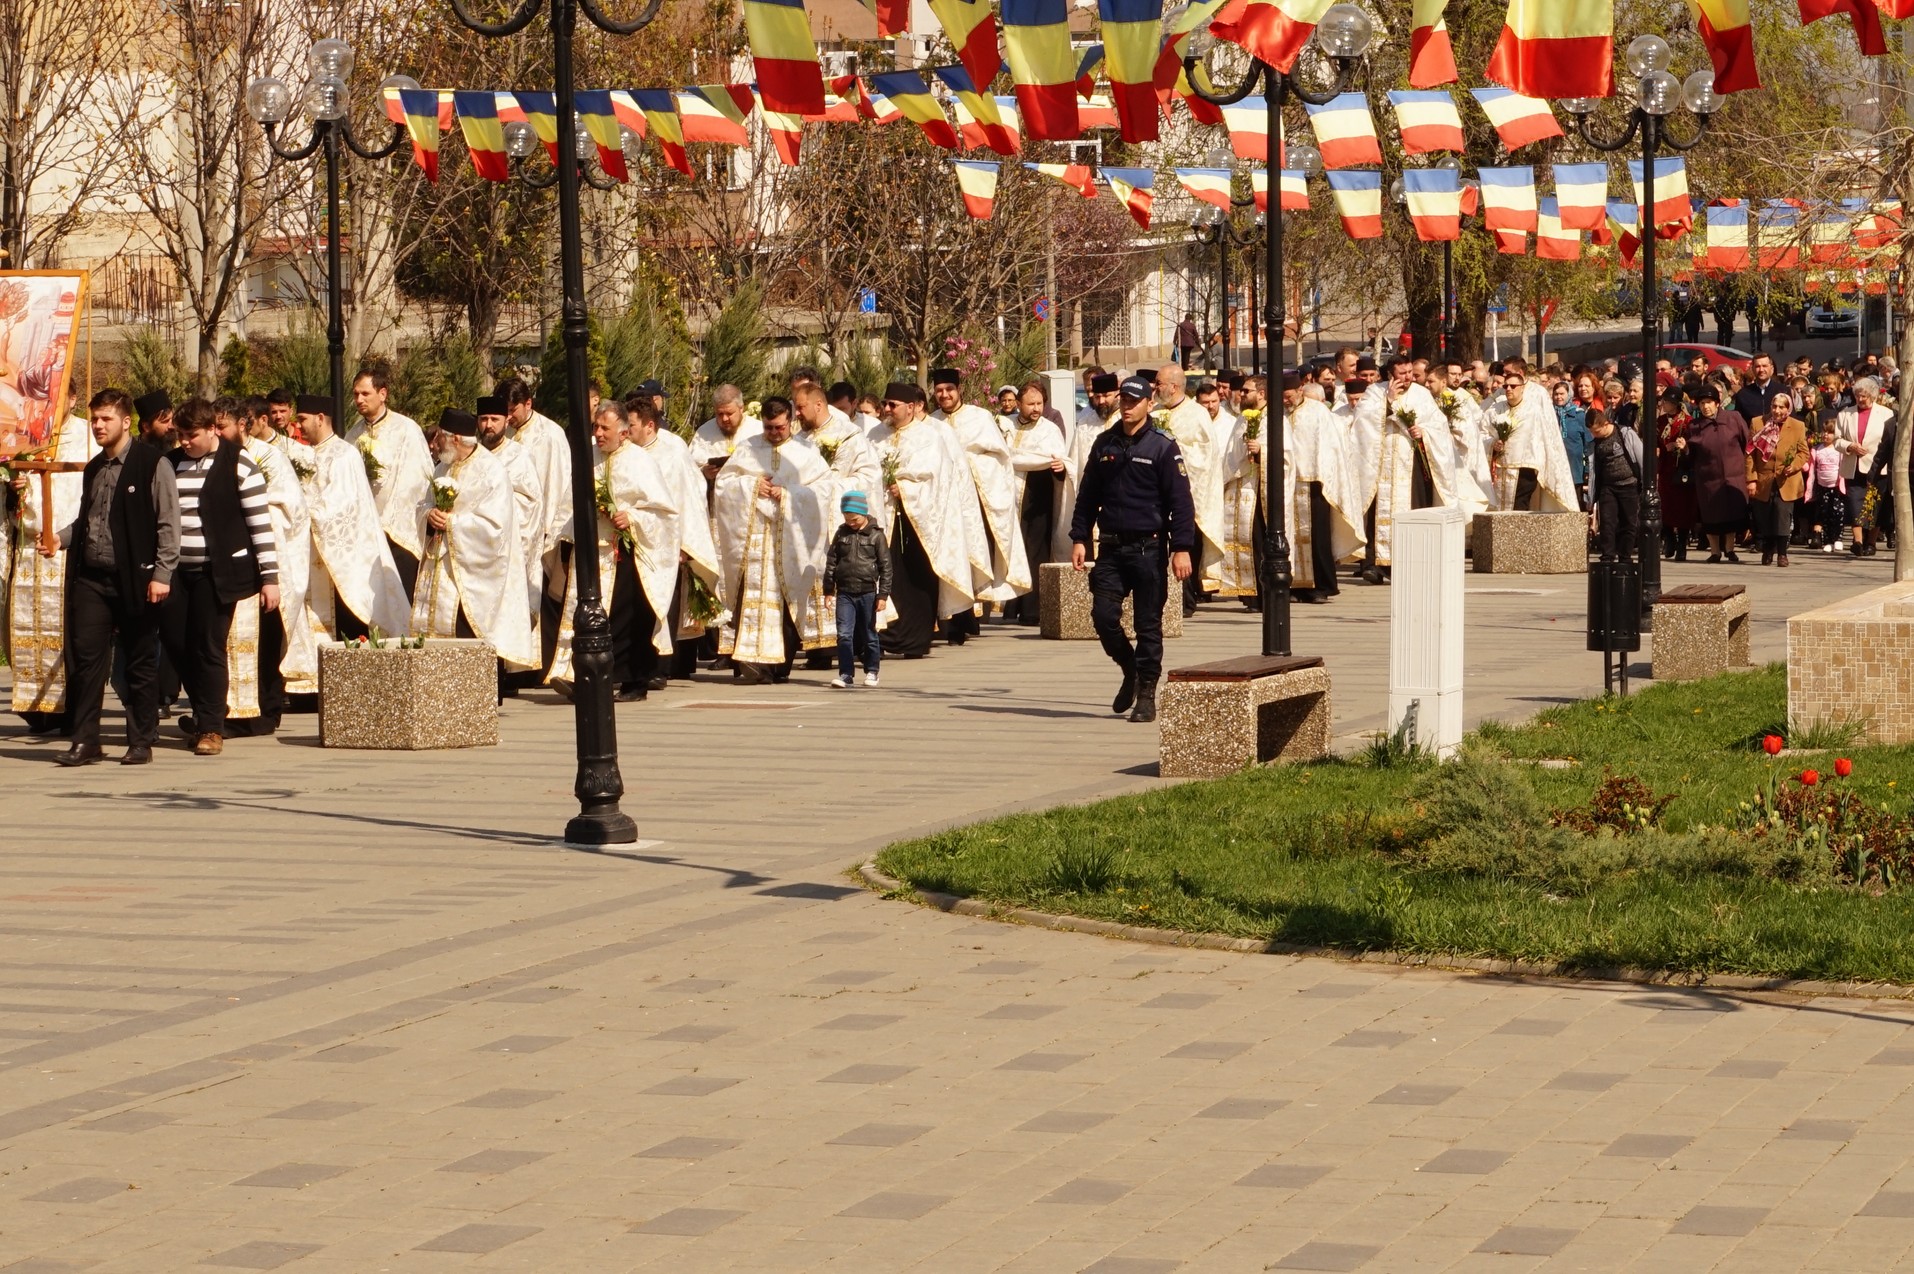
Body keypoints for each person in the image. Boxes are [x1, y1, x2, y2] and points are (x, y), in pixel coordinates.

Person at [50, 389, 179, 766]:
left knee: (139, 660)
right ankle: (86, 740)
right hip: (91, 578)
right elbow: (88, 521)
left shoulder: (152, 464)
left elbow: (169, 525)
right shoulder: (94, 468)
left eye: (106, 419)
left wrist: (162, 574)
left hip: (136, 579)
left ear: (125, 421)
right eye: (94, 419)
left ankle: (140, 740)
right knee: (87, 661)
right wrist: (59, 539)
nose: (98, 426)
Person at [1067, 375, 1196, 724]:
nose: (1126, 406)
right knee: (1103, 617)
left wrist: (1181, 548)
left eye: (1134, 401)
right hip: (1110, 548)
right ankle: (1130, 669)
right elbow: (1087, 495)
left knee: (1147, 626)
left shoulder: (1163, 447)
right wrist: (1079, 537)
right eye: (1123, 400)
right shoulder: (1104, 444)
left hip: (1149, 549)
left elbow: (1181, 504)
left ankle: (1147, 694)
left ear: (1148, 404)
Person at [157, 399, 279, 756]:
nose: (185, 442)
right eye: (180, 435)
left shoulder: (239, 463)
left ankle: (211, 728)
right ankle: (205, 709)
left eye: (192, 435)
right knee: (177, 644)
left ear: (212, 429)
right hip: (176, 572)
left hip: (219, 573)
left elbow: (260, 523)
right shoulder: (170, 463)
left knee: (208, 645)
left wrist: (269, 577)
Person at [548, 401, 677, 700]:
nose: (598, 433)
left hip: (626, 555)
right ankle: (581, 676)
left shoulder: (640, 462)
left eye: (605, 428)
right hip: (591, 554)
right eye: (596, 427)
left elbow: (664, 512)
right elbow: (569, 504)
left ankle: (634, 682)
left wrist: (631, 516)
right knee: (583, 616)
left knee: (628, 618)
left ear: (623, 432)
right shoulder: (588, 459)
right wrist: (565, 544)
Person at [410, 407, 539, 691]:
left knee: (467, 631)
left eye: (439, 439)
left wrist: (453, 523)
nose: (435, 445)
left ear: (455, 438)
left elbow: (495, 529)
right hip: (439, 568)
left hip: (472, 576)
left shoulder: (491, 472)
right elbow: (423, 504)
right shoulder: (442, 467)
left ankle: (474, 695)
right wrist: (428, 515)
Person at [712, 397, 832, 684]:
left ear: (790, 421)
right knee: (750, 600)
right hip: (752, 542)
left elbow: (824, 490)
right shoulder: (747, 449)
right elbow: (723, 486)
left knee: (786, 601)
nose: (774, 433)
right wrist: (753, 486)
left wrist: (787, 493)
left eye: (779, 427)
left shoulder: (805, 452)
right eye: (768, 427)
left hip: (790, 543)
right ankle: (752, 666)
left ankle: (780, 667)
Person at [7, 386, 98, 733]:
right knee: (25, 628)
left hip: (70, 546)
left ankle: (72, 709)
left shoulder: (88, 435)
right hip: (30, 546)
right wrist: (12, 487)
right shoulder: (26, 434)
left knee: (69, 631)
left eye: (58, 398)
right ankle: (38, 710)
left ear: (73, 400)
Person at [872, 383, 978, 658]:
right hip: (884, 517)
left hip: (918, 520)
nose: (886, 409)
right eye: (885, 404)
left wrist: (905, 489)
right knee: (886, 575)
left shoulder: (928, 437)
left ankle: (915, 640)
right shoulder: (875, 434)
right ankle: (887, 636)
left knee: (916, 577)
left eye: (892, 405)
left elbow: (937, 478)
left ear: (911, 407)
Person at [295, 393, 410, 643]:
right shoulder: (306, 455)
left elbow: (341, 508)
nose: (298, 426)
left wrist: (301, 512)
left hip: (343, 557)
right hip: (315, 555)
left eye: (302, 419)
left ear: (320, 418)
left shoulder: (343, 454)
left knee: (350, 623)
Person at [629, 392, 722, 684]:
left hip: (666, 541)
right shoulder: (626, 454)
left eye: (630, 426)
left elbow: (688, 497)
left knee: (663, 601)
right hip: (635, 536)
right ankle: (638, 664)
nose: (626, 431)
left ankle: (660, 668)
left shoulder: (671, 452)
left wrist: (685, 543)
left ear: (649, 425)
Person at [1351, 357, 1458, 583]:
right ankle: (1373, 564)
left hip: (1411, 464)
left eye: (1410, 372)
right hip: (1380, 465)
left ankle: (1410, 562)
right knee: (1375, 512)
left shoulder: (1421, 394)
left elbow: (1438, 425)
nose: (1408, 377)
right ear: (1390, 375)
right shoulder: (1374, 393)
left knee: (1413, 509)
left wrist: (1424, 431)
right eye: (1402, 373)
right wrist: (1388, 402)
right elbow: (1361, 422)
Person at [498, 375, 572, 668]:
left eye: (512, 411)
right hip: (510, 529)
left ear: (528, 404)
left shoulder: (549, 435)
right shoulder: (503, 434)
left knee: (544, 598)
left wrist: (551, 529)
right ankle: (517, 664)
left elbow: (557, 482)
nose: (508, 417)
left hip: (540, 527)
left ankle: (542, 664)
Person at [343, 370, 432, 602]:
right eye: (355, 394)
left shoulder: (407, 430)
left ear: (382, 394)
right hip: (366, 534)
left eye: (365, 393)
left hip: (399, 532)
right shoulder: (352, 435)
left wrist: (388, 519)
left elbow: (419, 479)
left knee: (400, 600)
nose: (359, 399)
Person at [1280, 372, 1364, 603]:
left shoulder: (1317, 412)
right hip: (1288, 484)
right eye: (1282, 397)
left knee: (1317, 538)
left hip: (1315, 484)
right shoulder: (1277, 414)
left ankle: (1321, 586)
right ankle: (1294, 586)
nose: (1286, 401)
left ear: (1299, 391)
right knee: (1290, 536)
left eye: (1288, 396)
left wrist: (1324, 475)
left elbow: (1330, 447)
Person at [1153, 365, 1223, 614]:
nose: (1156, 387)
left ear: (1174, 386)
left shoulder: (1196, 414)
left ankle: (1185, 601)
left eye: (1159, 383)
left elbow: (1206, 455)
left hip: (1187, 492)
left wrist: (1173, 447)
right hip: (1156, 493)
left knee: (1186, 545)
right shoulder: (1156, 412)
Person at [1003, 379, 1066, 624]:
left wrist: (1059, 468)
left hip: (1036, 494)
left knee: (1035, 551)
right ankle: (1010, 606)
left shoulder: (1049, 429)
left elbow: (1056, 459)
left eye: (1040, 403)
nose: (1036, 408)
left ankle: (1032, 609)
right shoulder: (1004, 425)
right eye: (1031, 404)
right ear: (1019, 403)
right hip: (1008, 494)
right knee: (1010, 549)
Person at [1486, 361, 1578, 513]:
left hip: (1526, 463)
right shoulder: (1498, 404)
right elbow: (1483, 429)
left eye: (1512, 384)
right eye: (1505, 385)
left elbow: (1546, 431)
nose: (1507, 387)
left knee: (1521, 508)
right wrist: (1492, 443)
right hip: (1501, 467)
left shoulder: (1536, 402)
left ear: (1521, 381)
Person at [823, 490, 890, 688]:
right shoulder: (841, 533)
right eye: (847, 518)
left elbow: (886, 567)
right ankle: (845, 674)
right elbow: (831, 562)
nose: (851, 523)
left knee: (869, 634)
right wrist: (828, 590)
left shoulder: (877, 536)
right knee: (844, 634)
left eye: (854, 519)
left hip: (868, 592)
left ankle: (872, 671)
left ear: (863, 513)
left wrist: (883, 594)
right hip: (844, 593)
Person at [1681, 382, 1751, 563]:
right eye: (1702, 403)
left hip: (1733, 476)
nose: (1705, 406)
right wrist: (1684, 449)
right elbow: (1691, 455)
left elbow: (1746, 443)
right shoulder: (1695, 426)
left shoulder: (1733, 418)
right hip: (1708, 479)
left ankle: (1729, 549)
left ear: (1717, 403)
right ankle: (1715, 551)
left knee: (1732, 514)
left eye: (1709, 402)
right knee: (1711, 516)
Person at [1055, 372, 1118, 564]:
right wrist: (1064, 467)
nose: (1101, 401)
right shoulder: (1085, 421)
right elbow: (1074, 459)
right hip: (1093, 493)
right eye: (1097, 396)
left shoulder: (1126, 419)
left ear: (1117, 393)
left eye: (1106, 396)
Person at [1746, 390, 1810, 567]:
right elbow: (1749, 453)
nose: (1777, 410)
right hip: (1764, 478)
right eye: (1774, 406)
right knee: (1764, 516)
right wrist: (1751, 479)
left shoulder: (1797, 425)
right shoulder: (1758, 422)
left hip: (1786, 479)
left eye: (1782, 407)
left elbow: (1804, 452)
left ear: (1788, 408)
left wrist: (1794, 465)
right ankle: (1767, 550)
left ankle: (1782, 553)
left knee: (1782, 515)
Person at [1836, 377, 1891, 556]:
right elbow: (1837, 440)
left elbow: (1890, 441)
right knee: (1854, 505)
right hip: (1854, 466)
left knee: (1874, 505)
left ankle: (1871, 542)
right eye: (1858, 396)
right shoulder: (1845, 413)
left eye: (1865, 396)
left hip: (1878, 467)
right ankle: (1858, 541)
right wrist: (1850, 446)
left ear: (1873, 396)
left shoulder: (1886, 414)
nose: (1860, 399)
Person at [1583, 409, 1643, 563]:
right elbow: (1593, 468)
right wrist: (1592, 494)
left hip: (1629, 484)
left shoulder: (1625, 434)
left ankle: (1625, 556)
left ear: (1605, 424)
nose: (1594, 435)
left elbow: (1641, 457)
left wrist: (1645, 482)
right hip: (1608, 486)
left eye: (1596, 431)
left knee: (1629, 523)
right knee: (1607, 522)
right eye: (1591, 432)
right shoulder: (1595, 443)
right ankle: (1608, 555)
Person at [1655, 389, 1698, 561]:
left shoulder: (1687, 422)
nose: (1663, 404)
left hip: (1681, 469)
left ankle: (1682, 543)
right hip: (1664, 468)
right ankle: (1669, 538)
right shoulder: (1660, 421)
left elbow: (1693, 446)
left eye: (1666, 401)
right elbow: (1656, 441)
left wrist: (1682, 446)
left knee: (1682, 507)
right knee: (1664, 505)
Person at [690, 384, 762, 475]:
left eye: (729, 413)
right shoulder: (704, 433)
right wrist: (704, 472)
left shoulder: (758, 430)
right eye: (720, 414)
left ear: (741, 409)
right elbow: (690, 469)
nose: (724, 419)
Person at [1807, 423, 1846, 553]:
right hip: (1822, 486)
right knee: (1825, 513)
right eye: (1824, 432)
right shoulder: (1816, 449)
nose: (1825, 435)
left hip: (1836, 486)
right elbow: (1810, 466)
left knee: (1838, 513)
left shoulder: (1839, 450)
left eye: (1829, 432)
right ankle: (1828, 540)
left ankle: (1838, 538)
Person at [1733, 353, 1780, 424]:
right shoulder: (1743, 394)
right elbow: (1738, 423)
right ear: (1753, 369)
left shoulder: (1782, 391)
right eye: (1758, 366)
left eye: (1764, 366)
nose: (1761, 369)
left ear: (1772, 369)